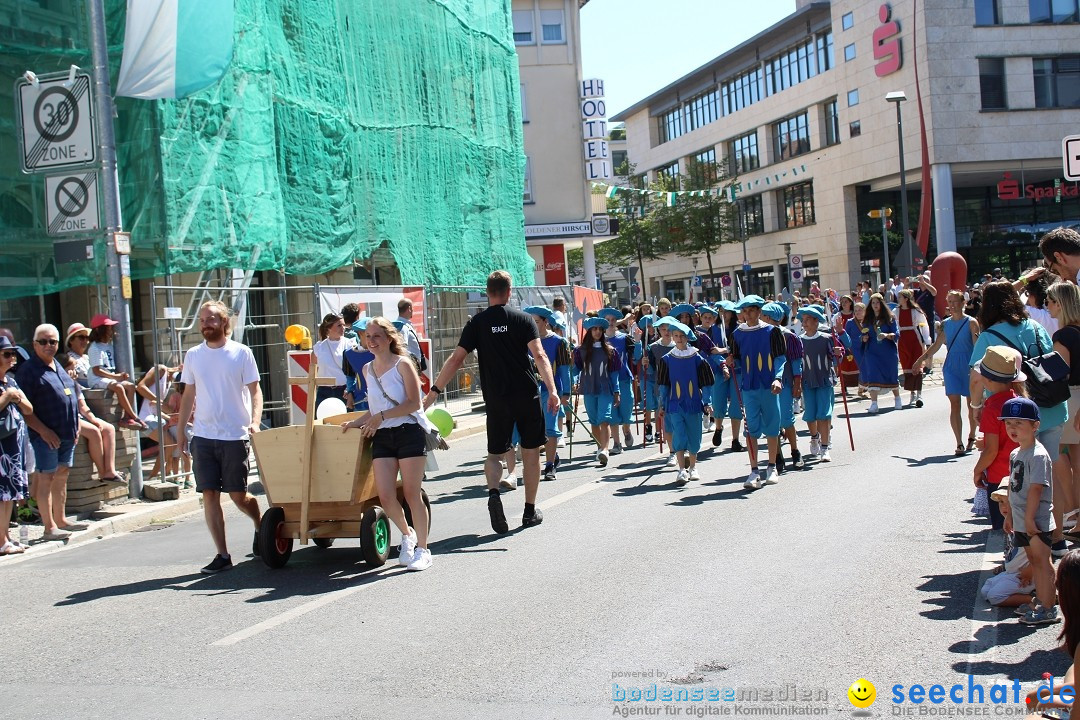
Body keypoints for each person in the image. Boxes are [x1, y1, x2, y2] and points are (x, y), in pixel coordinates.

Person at [424, 270, 559, 533]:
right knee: (531, 453)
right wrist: (552, 390)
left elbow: (455, 359)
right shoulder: (523, 320)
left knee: (495, 453)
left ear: (487, 293)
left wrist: (434, 393)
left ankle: (494, 493)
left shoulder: (477, 323)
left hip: (496, 397)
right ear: (509, 292)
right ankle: (529, 511)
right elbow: (540, 356)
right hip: (526, 394)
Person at [970, 280, 1070, 558]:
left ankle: (1026, 547)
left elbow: (977, 376)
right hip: (1050, 410)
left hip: (1014, 417)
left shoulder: (990, 336)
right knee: (1049, 479)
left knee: (1019, 481)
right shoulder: (1036, 327)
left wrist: (976, 405)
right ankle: (1058, 539)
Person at [177, 301, 264, 574]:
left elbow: (255, 391)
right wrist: (181, 430)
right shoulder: (193, 355)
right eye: (202, 320)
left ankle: (260, 523)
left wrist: (255, 422)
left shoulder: (241, 353)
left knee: (239, 496)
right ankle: (223, 555)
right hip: (203, 435)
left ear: (224, 322)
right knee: (210, 494)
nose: (205, 324)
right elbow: (188, 394)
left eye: (211, 319)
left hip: (234, 435)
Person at [340, 317, 432, 571]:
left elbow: (415, 403)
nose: (371, 341)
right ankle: (407, 534)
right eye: (367, 337)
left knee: (412, 494)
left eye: (377, 336)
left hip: (408, 432)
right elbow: (375, 408)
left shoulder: (403, 364)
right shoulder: (368, 369)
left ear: (389, 338)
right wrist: (354, 423)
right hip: (382, 436)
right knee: (386, 495)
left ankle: (423, 550)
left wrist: (381, 417)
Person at [16, 324, 87, 540]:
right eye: (43, 342)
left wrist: (75, 426)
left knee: (62, 475)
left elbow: (72, 398)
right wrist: (44, 431)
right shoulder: (27, 372)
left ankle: (61, 519)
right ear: (34, 344)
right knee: (46, 477)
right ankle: (49, 528)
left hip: (67, 434)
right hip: (45, 436)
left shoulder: (58, 365)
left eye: (53, 342)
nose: (49, 346)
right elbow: (24, 409)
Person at [998, 397, 1061, 626]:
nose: (1012, 429)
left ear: (1035, 426)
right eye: (1009, 423)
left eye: (1019, 423)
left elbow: (1036, 489)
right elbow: (1015, 490)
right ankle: (1041, 602)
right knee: (1034, 561)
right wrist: (1012, 516)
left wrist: (1029, 518)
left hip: (1036, 520)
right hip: (1023, 520)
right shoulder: (1016, 454)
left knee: (1043, 562)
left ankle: (1048, 607)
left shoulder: (1037, 454)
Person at [728, 295, 787, 490]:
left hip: (769, 385)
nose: (748, 314)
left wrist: (778, 378)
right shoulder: (737, 334)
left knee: (772, 425)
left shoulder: (772, 331)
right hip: (749, 387)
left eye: (751, 310)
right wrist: (729, 363)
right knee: (750, 428)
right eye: (744, 311)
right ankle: (754, 471)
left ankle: (771, 467)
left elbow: (780, 358)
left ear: (759, 311)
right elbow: (737, 360)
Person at [914, 290, 979, 455]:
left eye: (955, 301)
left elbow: (977, 347)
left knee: (972, 405)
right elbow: (936, 345)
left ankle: (972, 434)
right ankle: (959, 442)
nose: (952, 305)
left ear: (963, 303)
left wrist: (978, 369)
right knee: (954, 404)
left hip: (968, 366)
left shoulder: (972, 323)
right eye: (949, 302)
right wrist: (921, 359)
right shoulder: (946, 324)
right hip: (951, 366)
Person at [971, 346, 1025, 532]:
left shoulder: (993, 408)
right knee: (1020, 525)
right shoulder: (1018, 400)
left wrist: (977, 470)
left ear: (986, 379)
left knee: (1003, 527)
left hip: (999, 477)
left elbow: (992, 450)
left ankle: (1010, 560)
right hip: (1021, 472)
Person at [656, 319, 714, 485]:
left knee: (694, 436)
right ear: (673, 337)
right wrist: (662, 404)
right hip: (674, 405)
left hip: (694, 403)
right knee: (679, 435)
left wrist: (707, 401)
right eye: (676, 335)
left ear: (687, 337)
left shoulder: (697, 358)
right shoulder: (667, 359)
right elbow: (664, 385)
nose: (679, 338)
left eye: (682, 335)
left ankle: (693, 467)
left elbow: (706, 383)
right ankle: (681, 469)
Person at [57, 352, 125, 485]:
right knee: (94, 432)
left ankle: (110, 470)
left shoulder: (74, 384)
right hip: (67, 419)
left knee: (108, 428)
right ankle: (102, 472)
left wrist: (93, 419)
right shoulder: (58, 383)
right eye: (71, 368)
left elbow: (83, 406)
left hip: (80, 416)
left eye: (75, 368)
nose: (74, 371)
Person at [523, 306, 571, 481]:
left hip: (551, 392)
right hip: (530, 391)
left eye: (535, 322)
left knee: (551, 428)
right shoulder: (525, 341)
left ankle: (549, 465)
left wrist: (566, 392)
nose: (532, 326)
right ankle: (547, 459)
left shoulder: (559, 342)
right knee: (535, 431)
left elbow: (565, 370)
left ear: (545, 322)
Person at [1048, 281, 1080, 536]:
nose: (1047, 306)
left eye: (1049, 301)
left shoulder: (1063, 336)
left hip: (1070, 399)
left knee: (1060, 457)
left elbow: (1060, 374)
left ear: (1060, 303)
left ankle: (1071, 512)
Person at [574, 317, 622, 466]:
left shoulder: (610, 351)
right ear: (589, 331)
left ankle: (605, 449)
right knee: (594, 421)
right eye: (594, 329)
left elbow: (614, 374)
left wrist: (617, 391)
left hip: (605, 388)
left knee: (604, 419)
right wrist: (574, 382)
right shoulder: (579, 351)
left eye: (600, 329)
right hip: (588, 388)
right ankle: (599, 447)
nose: (597, 332)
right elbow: (576, 369)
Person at [0, 336, 31, 555]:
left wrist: (16, 397)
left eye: (13, 354)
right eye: (7, 354)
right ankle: (1, 540)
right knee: (2, 494)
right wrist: (7, 397)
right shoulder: (8, 388)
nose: (12, 358)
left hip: (14, 446)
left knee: (11, 493)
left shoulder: (11, 381)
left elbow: (29, 408)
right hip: (1, 447)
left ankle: (7, 537)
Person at [86, 314, 146, 429]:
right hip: (96, 379)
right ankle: (134, 416)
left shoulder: (109, 346)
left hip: (109, 378)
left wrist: (119, 376)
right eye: (107, 328)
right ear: (99, 330)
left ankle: (127, 417)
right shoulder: (94, 348)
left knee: (130, 386)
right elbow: (96, 370)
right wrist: (115, 377)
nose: (110, 331)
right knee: (118, 387)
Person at [797, 307, 841, 462]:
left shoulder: (826, 338)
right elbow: (796, 363)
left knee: (823, 414)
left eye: (808, 319)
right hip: (808, 381)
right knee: (810, 415)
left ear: (816, 321)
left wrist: (837, 353)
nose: (805, 323)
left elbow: (836, 358)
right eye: (803, 320)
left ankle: (824, 447)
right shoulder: (799, 340)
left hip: (824, 380)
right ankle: (814, 437)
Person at [599, 307, 636, 453]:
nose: (611, 322)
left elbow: (635, 357)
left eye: (613, 320)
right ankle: (617, 444)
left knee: (626, 411)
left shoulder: (624, 338)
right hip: (606, 381)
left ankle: (626, 429)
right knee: (612, 413)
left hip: (623, 378)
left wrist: (638, 343)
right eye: (607, 320)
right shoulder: (599, 340)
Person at [312, 313, 356, 408]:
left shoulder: (350, 344)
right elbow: (312, 373)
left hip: (344, 391)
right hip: (324, 392)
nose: (343, 328)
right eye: (339, 325)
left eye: (344, 325)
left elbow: (355, 370)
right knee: (323, 421)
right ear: (329, 328)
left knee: (345, 421)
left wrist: (350, 389)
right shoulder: (318, 347)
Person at [896, 289, 930, 408]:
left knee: (917, 366)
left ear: (906, 299)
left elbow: (924, 325)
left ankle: (919, 394)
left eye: (900, 297)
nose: (898, 299)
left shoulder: (915, 311)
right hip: (903, 341)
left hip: (915, 340)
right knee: (907, 367)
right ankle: (912, 393)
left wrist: (926, 339)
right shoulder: (896, 311)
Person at [835, 296, 860, 394]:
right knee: (844, 365)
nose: (844, 303)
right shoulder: (837, 315)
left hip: (855, 342)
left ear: (850, 303)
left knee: (857, 364)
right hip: (842, 343)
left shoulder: (855, 314)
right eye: (842, 302)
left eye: (846, 301)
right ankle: (844, 387)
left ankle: (861, 385)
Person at [395, 298, 425, 371]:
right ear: (409, 308)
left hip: (411, 365)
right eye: (412, 308)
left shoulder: (403, 325)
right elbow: (402, 347)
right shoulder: (403, 327)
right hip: (411, 367)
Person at [64, 323, 92, 388]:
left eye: (87, 337)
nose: (85, 340)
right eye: (81, 337)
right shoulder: (68, 359)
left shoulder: (88, 357)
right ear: (71, 340)